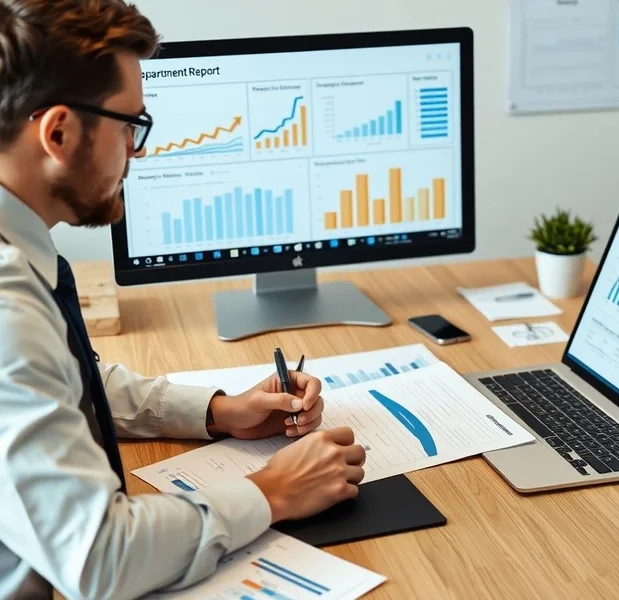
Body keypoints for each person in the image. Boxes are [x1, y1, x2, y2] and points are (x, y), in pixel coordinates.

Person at [0, 1, 367, 598]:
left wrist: (217, 411)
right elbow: (100, 558)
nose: (137, 151)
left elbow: (59, 380)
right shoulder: (7, 306)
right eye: (129, 126)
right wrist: (272, 492)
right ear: (59, 132)